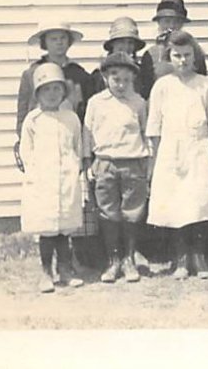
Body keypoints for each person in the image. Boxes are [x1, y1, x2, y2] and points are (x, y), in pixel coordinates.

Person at [14, 20, 98, 268]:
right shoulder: (31, 73)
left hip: (67, 144)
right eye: (53, 39)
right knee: (46, 214)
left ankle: (75, 261)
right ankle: (49, 268)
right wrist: (23, 149)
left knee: (70, 209)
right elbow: (23, 112)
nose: (59, 43)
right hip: (42, 146)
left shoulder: (78, 73)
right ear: (44, 43)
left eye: (63, 38)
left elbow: (84, 112)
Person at [146, 31, 208, 279]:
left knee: (198, 203)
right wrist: (156, 159)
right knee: (177, 205)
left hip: (199, 148)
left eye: (187, 55)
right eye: (177, 56)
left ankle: (199, 258)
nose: (182, 61)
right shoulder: (162, 86)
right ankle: (181, 259)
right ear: (169, 57)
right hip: (171, 150)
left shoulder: (207, 85)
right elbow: (155, 126)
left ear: (195, 55)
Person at [83, 52, 151, 283]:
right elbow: (87, 135)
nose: (121, 84)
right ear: (105, 78)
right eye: (115, 79)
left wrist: (148, 163)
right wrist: (88, 163)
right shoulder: (96, 103)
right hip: (105, 163)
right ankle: (113, 260)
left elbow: (146, 134)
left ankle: (129, 259)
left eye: (126, 80)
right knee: (108, 212)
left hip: (133, 162)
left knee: (132, 212)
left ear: (132, 79)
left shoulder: (139, 103)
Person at [19, 63, 85, 293]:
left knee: (64, 231)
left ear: (63, 92)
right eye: (46, 90)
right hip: (43, 182)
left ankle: (65, 271)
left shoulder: (71, 118)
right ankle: (46, 273)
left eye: (56, 89)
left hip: (66, 180)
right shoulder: (33, 120)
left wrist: (74, 168)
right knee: (47, 231)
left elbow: (77, 145)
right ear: (37, 93)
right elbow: (26, 152)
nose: (52, 94)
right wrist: (34, 174)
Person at [141, 0, 207, 96]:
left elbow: (202, 84)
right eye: (167, 21)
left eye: (176, 21)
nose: (171, 26)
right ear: (159, 23)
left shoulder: (194, 51)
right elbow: (145, 90)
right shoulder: (151, 55)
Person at [91, 17, 153, 97]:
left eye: (130, 42)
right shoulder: (99, 75)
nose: (126, 47)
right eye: (121, 42)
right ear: (112, 44)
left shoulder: (142, 74)